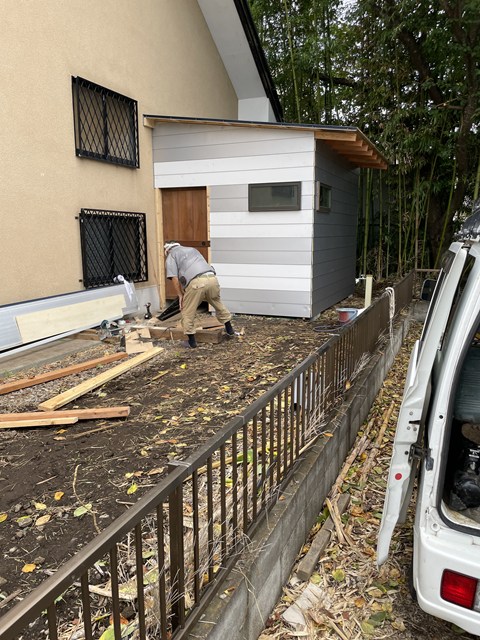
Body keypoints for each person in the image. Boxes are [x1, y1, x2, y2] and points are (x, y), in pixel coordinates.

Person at [164, 241, 235, 348]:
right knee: (217, 303)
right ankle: (230, 330)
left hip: (197, 282)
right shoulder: (192, 250)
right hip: (212, 278)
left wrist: (180, 295)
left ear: (167, 250)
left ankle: (191, 342)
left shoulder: (171, 255)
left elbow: (174, 278)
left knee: (187, 311)